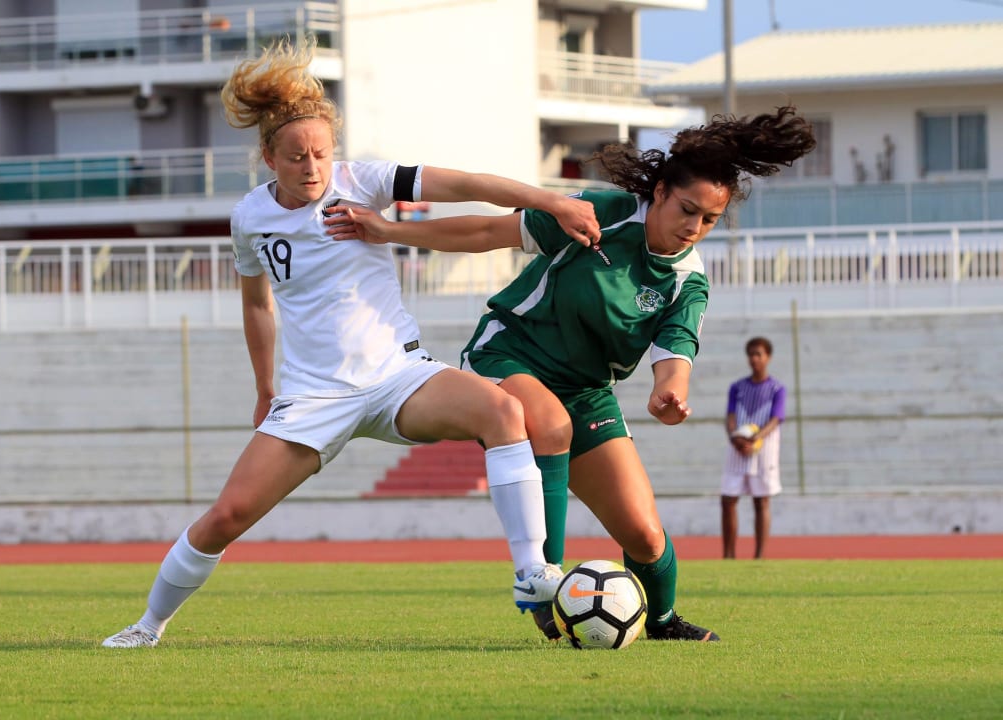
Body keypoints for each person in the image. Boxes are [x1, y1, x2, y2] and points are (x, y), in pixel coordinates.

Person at [101, 38, 602, 648]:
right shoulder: (249, 218)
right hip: (314, 397)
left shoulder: (362, 181)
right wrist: (265, 387)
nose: (311, 167)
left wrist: (550, 199)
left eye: (319, 153)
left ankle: (531, 572)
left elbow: (465, 181)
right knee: (225, 518)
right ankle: (147, 626)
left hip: (398, 376)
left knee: (504, 411)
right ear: (268, 157)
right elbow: (257, 304)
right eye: (296, 157)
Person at [326, 106, 817, 642]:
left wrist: (669, 394)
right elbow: (490, 230)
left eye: (709, 220)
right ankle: (544, 582)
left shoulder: (688, 280)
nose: (693, 229)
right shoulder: (601, 214)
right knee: (550, 426)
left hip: (586, 391)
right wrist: (388, 230)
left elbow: (676, 352)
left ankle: (661, 620)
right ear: (658, 193)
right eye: (687, 210)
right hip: (508, 354)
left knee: (645, 536)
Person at [721, 336, 786, 560]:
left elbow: (776, 418)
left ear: (768, 357)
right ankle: (728, 556)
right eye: (751, 354)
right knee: (728, 499)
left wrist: (755, 439)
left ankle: (760, 556)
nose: (754, 359)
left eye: (758, 354)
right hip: (737, 448)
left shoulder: (777, 388)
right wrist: (735, 437)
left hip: (763, 449)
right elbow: (730, 416)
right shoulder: (737, 387)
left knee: (761, 500)